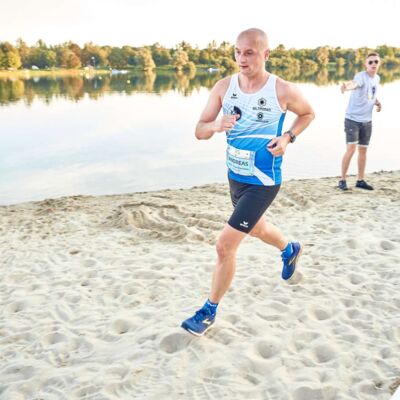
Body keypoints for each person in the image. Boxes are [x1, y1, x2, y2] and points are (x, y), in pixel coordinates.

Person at [181, 28, 315, 336]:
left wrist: (288, 137)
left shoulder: (282, 90)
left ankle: (208, 311)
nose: (242, 58)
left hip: (264, 180)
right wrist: (216, 125)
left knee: (224, 246)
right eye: (238, 52)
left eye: (249, 52)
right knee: (257, 228)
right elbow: (199, 130)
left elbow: (308, 114)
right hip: (235, 177)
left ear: (266, 54)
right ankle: (289, 249)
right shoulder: (224, 87)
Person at [338, 52, 382, 191]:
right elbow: (355, 84)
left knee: (363, 150)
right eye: (370, 62)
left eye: (376, 61)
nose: (373, 64)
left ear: (379, 63)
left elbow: (370, 94)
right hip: (353, 119)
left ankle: (360, 180)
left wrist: (377, 102)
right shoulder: (361, 76)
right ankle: (342, 180)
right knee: (351, 149)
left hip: (367, 121)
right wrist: (346, 86)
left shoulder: (377, 78)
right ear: (366, 64)